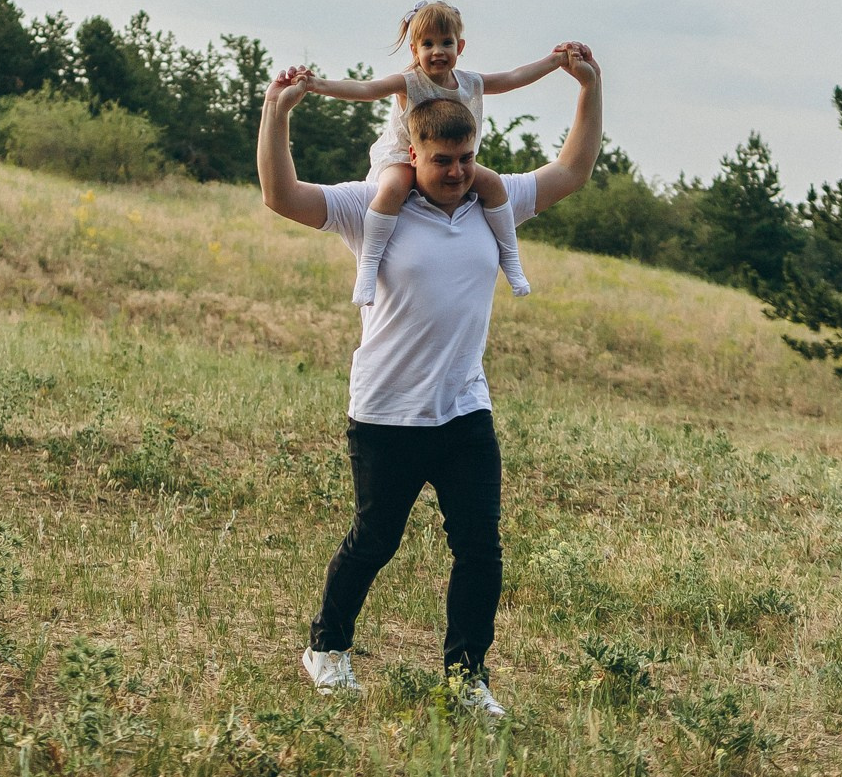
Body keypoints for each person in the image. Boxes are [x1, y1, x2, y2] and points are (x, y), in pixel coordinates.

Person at [257, 42, 604, 715]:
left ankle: (467, 677)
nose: (457, 172)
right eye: (442, 161)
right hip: (387, 412)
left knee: (481, 546)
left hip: (464, 413)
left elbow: (571, 169)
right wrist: (278, 114)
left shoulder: (490, 205)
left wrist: (589, 89)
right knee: (374, 539)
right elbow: (281, 195)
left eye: (467, 158)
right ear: (410, 154)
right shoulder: (370, 207)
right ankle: (327, 648)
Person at [297, 1, 576, 305]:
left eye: (446, 42)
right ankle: (368, 268)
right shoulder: (408, 83)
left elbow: (513, 78)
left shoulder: (469, 83)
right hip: (403, 157)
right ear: (415, 51)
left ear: (460, 46)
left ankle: (511, 262)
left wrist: (555, 61)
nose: (438, 51)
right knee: (391, 189)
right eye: (428, 44)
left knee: (494, 184)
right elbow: (366, 90)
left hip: (450, 160)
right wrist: (316, 84)